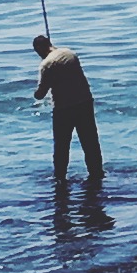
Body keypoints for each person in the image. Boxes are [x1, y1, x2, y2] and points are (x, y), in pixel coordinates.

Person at [31, 35, 102, 189]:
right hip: (84, 103)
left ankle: (60, 179)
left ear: (39, 49)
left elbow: (41, 93)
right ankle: (97, 174)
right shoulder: (70, 53)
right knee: (90, 143)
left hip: (64, 109)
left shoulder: (47, 64)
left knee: (62, 147)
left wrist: (35, 93)